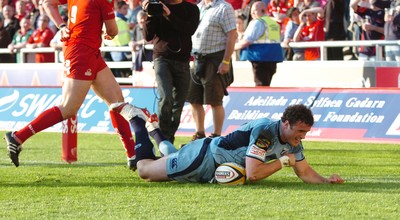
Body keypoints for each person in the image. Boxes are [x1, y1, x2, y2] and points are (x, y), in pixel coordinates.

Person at [3, 0, 149, 169]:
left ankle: (132, 156)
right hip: (81, 52)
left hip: (88, 51)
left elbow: (47, 3)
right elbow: (112, 30)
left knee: (116, 101)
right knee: (68, 108)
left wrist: (61, 25)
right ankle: (17, 137)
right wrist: (107, 31)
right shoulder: (103, 1)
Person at [121, 104, 345, 184]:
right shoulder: (266, 131)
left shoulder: (292, 141)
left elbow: (304, 171)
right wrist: (283, 162)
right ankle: (137, 121)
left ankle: (154, 130)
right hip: (204, 158)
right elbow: (253, 173)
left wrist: (326, 181)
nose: (303, 136)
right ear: (285, 123)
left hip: (212, 159)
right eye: (300, 131)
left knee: (169, 157)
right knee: (145, 171)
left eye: (306, 132)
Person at [141, 0, 200, 143]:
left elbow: (189, 29)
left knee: (178, 103)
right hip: (162, 57)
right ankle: (162, 138)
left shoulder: (191, 9)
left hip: (183, 60)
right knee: (166, 97)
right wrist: (149, 15)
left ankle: (168, 138)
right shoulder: (157, 7)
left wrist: (169, 14)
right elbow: (148, 36)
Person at [188, 0, 237, 140]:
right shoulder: (198, 7)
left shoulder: (224, 7)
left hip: (216, 58)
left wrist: (226, 61)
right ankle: (200, 134)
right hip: (197, 58)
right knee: (194, 99)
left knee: (215, 101)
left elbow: (232, 35)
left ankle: (216, 135)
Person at [235, 1, 284, 86]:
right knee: (266, 83)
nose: (252, 14)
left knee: (261, 85)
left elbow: (247, 40)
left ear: (262, 10)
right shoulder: (274, 23)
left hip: (260, 58)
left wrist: (232, 47)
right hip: (273, 58)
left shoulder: (257, 22)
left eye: (254, 11)